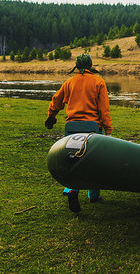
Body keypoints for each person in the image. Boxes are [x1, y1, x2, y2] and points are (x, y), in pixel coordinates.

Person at [45, 53, 112, 213]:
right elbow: (104, 109)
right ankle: (93, 196)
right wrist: (108, 130)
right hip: (92, 129)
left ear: (77, 66)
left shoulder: (69, 82)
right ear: (90, 66)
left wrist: (51, 116)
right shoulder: (98, 82)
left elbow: (56, 100)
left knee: (72, 159)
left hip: (71, 128)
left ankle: (72, 189)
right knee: (95, 162)